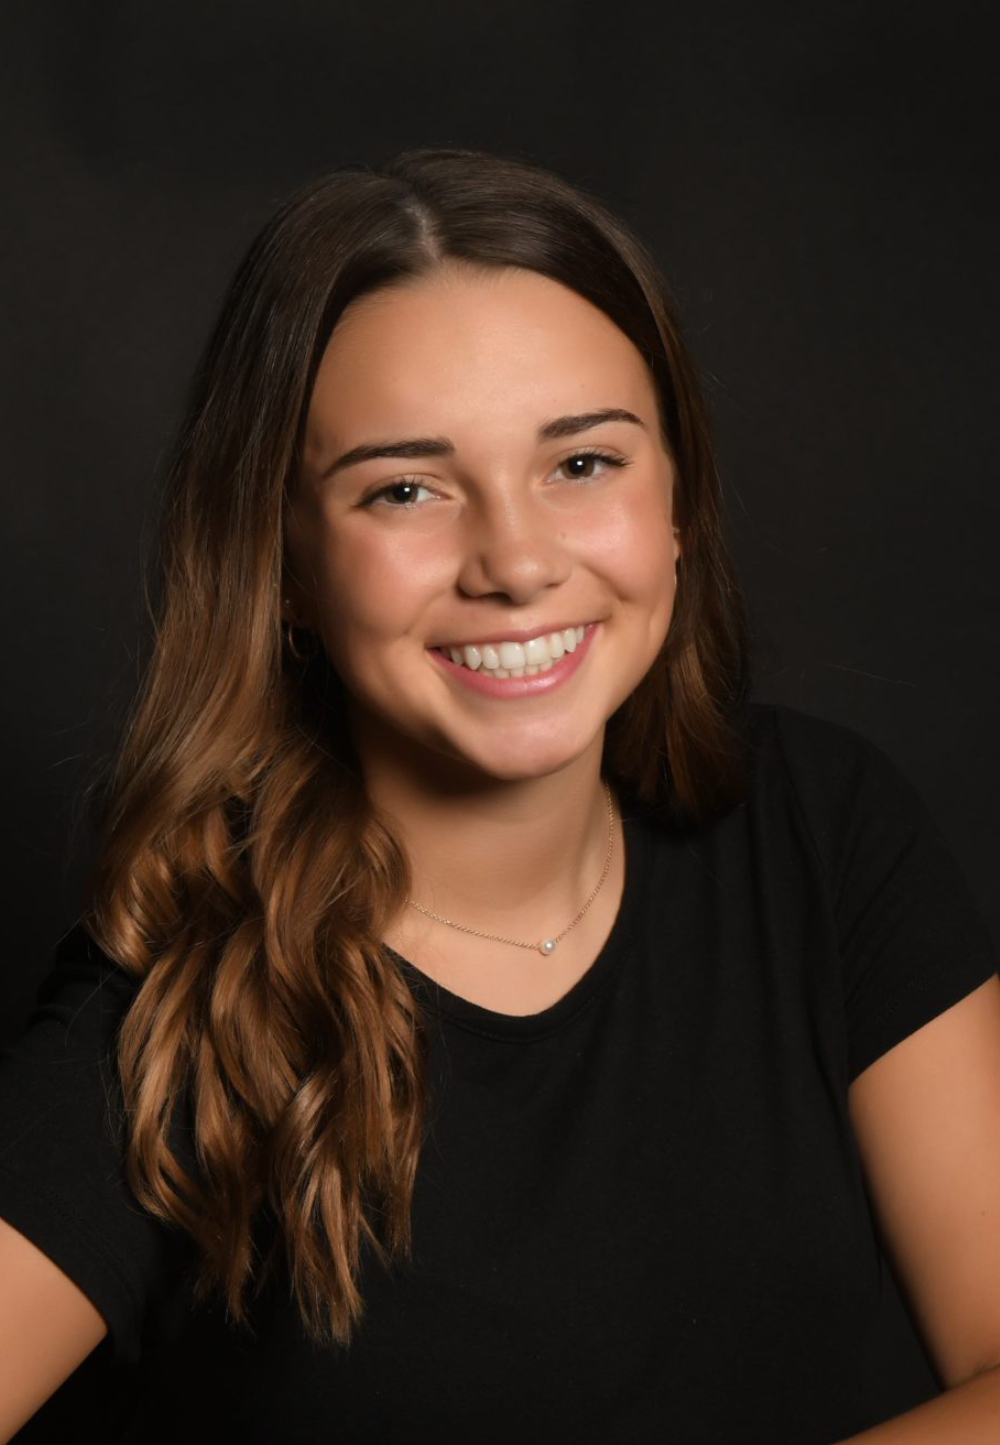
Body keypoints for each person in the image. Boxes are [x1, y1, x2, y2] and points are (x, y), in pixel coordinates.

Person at [0, 146, 998, 1445]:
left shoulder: (821, 827)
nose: (517, 562)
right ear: (282, 564)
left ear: (679, 501)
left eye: (582, 464)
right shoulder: (166, 1011)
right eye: (405, 488)